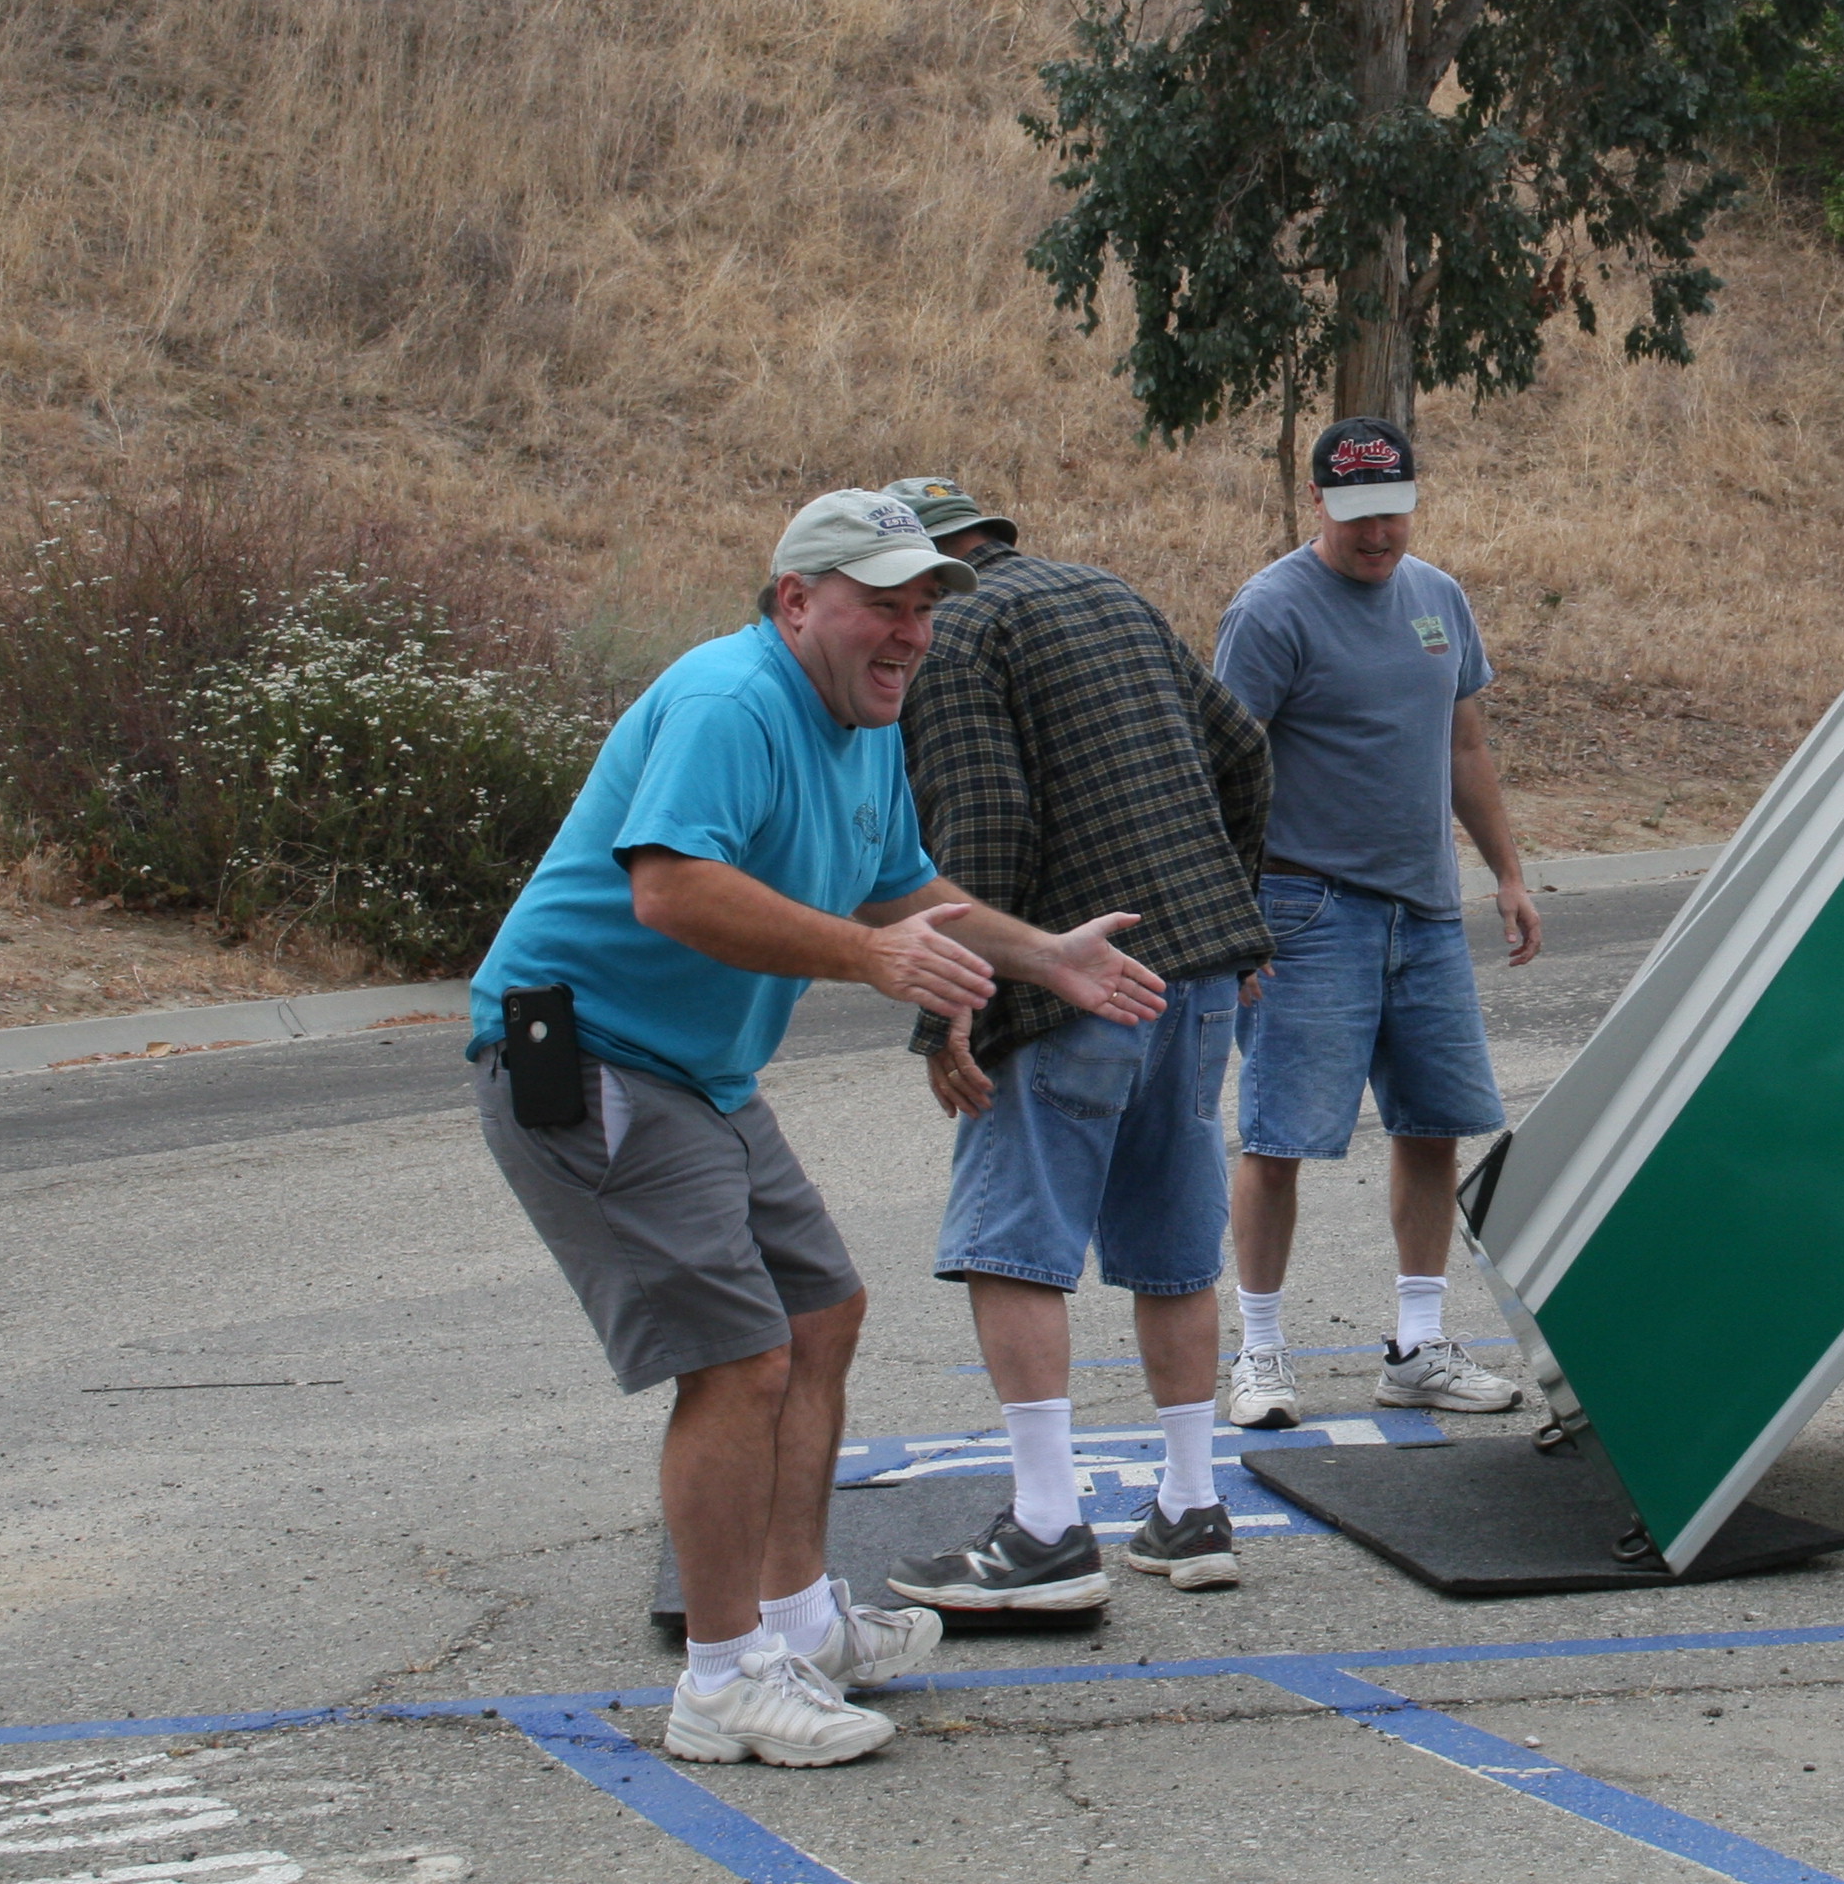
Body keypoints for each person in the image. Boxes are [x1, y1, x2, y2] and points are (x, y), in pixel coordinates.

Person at [471, 489, 1168, 1770]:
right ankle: (724, 1678)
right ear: (797, 599)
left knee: (818, 1315)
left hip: (702, 1074)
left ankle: (796, 1622)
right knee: (738, 1360)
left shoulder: (863, 724)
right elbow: (672, 886)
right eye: (881, 603)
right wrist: (866, 960)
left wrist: (1040, 955)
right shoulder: (731, 701)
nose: (908, 632)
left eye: (922, 607)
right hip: (593, 1060)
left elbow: (903, 885)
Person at [877, 476, 1272, 1603]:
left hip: (1069, 977)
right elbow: (1243, 749)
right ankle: (1194, 1510)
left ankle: (1047, 1527)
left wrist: (952, 1003)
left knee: (1013, 1238)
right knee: (1173, 1234)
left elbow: (983, 818)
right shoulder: (1110, 592)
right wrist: (1232, 909)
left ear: (931, 564)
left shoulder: (953, 635)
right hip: (1192, 968)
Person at [1211, 417, 1541, 1430]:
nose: (1378, 534)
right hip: (1307, 909)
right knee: (1277, 1136)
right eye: (1357, 516)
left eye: (1394, 511)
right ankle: (1259, 1353)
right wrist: (1229, 920)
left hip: (1426, 909)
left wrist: (1509, 871)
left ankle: (1417, 1345)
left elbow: (1466, 747)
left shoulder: (1438, 599)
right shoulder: (1271, 611)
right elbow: (1218, 764)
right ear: (1320, 504)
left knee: (1434, 1124)